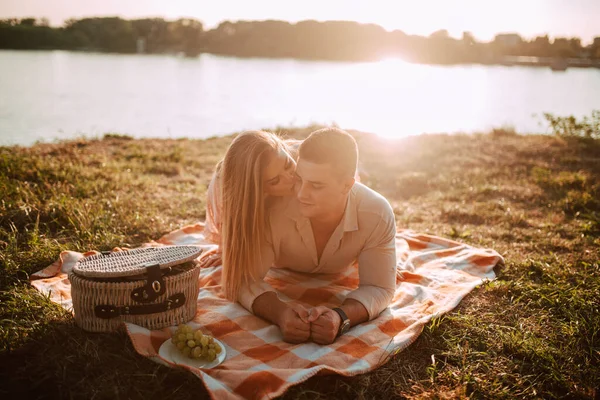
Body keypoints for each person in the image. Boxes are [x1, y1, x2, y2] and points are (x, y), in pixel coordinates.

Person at [233, 127, 397, 345]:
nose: (300, 193)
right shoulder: (271, 207)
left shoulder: (377, 213)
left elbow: (379, 287)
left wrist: (342, 316)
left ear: (347, 185)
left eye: (316, 186)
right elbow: (246, 279)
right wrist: (280, 313)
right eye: (299, 179)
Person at [199, 130, 298, 300]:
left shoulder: (304, 156)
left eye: (289, 165)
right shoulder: (225, 189)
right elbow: (229, 219)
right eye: (275, 181)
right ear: (256, 189)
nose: (291, 179)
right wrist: (225, 248)